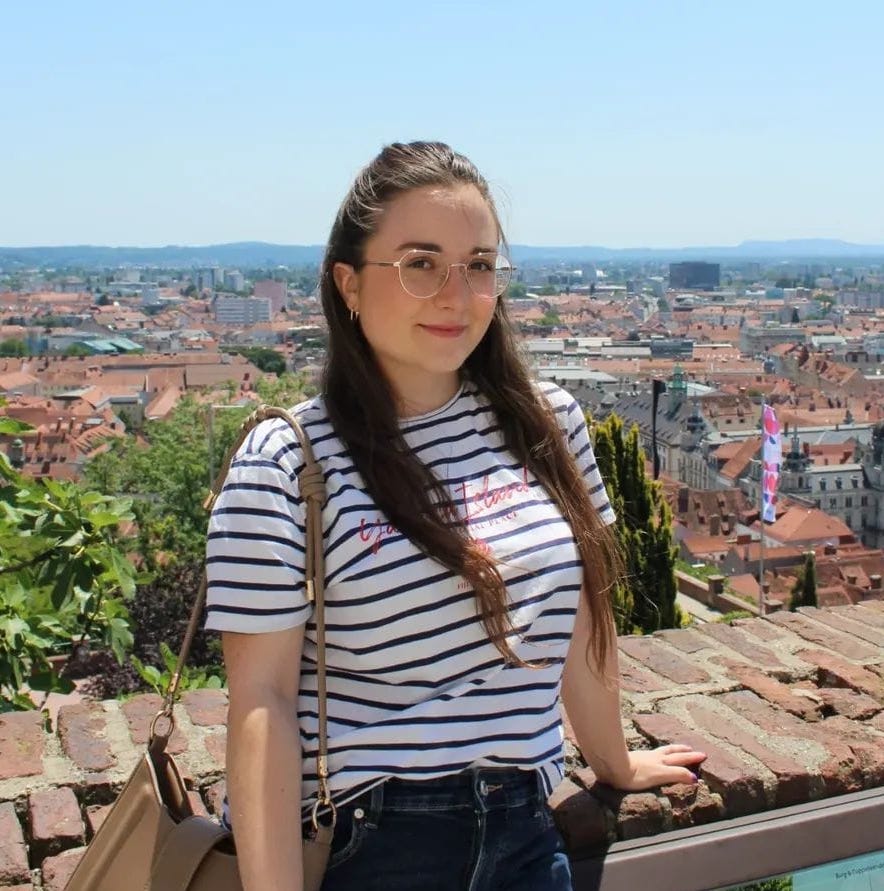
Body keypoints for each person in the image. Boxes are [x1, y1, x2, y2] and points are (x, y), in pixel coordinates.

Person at [205, 141, 706, 891]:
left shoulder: (548, 424)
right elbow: (262, 704)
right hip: (364, 842)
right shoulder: (285, 461)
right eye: (421, 263)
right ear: (348, 283)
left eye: (478, 265)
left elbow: (580, 619)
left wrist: (615, 763)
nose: (456, 293)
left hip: (524, 831)